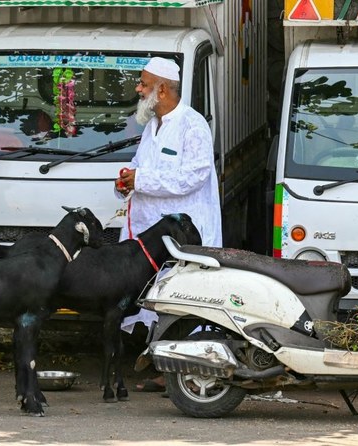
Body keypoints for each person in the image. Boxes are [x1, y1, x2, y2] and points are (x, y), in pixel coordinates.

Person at [115, 57, 222, 392]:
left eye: (144, 84)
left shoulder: (193, 126)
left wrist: (141, 179)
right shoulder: (152, 125)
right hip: (151, 231)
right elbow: (139, 165)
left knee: (182, 298)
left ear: (161, 89)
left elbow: (192, 177)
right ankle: (160, 363)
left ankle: (181, 372)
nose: (138, 88)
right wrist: (125, 181)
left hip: (183, 231)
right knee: (156, 297)